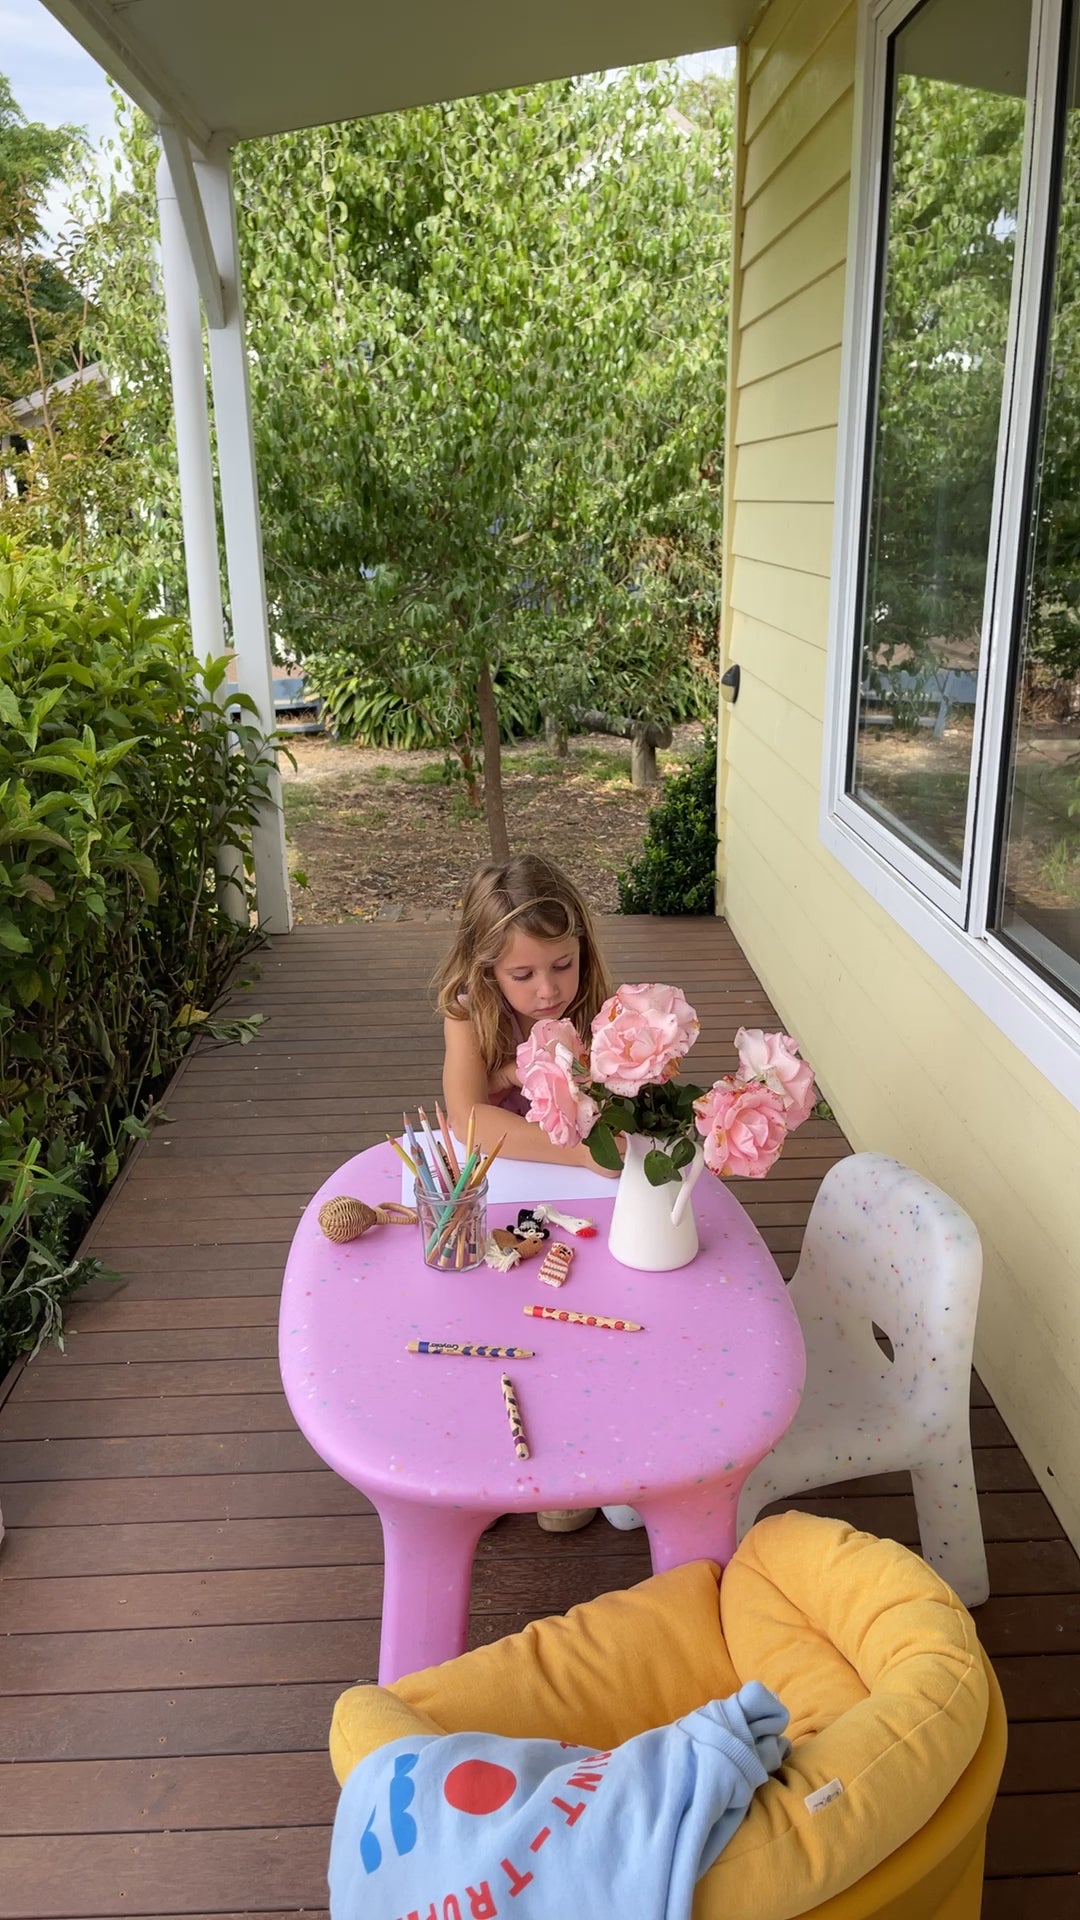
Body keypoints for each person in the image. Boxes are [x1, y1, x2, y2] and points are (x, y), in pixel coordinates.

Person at [435, 852, 617, 1535]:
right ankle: (486, 1459)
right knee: (492, 1311)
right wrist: (519, 1074)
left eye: (562, 964)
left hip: (583, 1195)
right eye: (524, 974)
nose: (548, 990)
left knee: (579, 1307)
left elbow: (614, 1097)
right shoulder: (466, 1008)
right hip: (501, 1189)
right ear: (487, 970)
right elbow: (468, 1119)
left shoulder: (593, 1004)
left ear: (582, 950)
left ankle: (576, 1449)